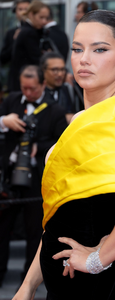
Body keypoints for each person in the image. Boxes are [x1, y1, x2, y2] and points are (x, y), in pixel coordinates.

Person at [12, 10, 115, 300]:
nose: (83, 59)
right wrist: (28, 286)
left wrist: (97, 258)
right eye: (77, 49)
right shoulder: (77, 120)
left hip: (109, 282)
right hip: (67, 282)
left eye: (99, 49)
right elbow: (58, 218)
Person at [0, 65, 67, 287]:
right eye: (23, 88)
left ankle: (28, 282)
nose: (27, 93)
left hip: (36, 181)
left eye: (32, 88)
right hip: (8, 177)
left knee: (34, 232)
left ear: (43, 85)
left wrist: (39, 146)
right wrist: (3, 121)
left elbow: (62, 143)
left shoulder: (55, 110)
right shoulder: (11, 102)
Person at [9, 0, 50, 92]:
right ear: (31, 15)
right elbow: (36, 59)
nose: (44, 21)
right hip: (25, 84)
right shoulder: (29, 33)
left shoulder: (28, 30)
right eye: (41, 17)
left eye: (46, 18)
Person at [0, 0, 31, 92]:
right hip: (15, 83)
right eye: (20, 9)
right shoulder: (11, 33)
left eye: (26, 9)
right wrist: (15, 41)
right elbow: (3, 58)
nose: (23, 12)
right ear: (15, 11)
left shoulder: (37, 31)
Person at [40, 52, 75, 124]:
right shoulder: (37, 92)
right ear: (43, 70)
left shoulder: (67, 89)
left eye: (62, 70)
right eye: (55, 70)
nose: (60, 74)